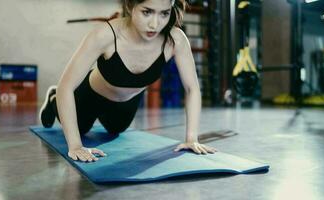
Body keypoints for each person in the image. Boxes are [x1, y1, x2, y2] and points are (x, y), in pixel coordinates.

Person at [39, 0, 217, 162]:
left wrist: (192, 138)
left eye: (164, 13)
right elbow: (66, 86)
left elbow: (192, 88)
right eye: (147, 12)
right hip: (91, 96)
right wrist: (75, 145)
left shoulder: (175, 40)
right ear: (131, 6)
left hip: (127, 103)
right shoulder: (106, 35)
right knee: (81, 128)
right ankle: (53, 100)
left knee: (116, 129)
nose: (155, 24)